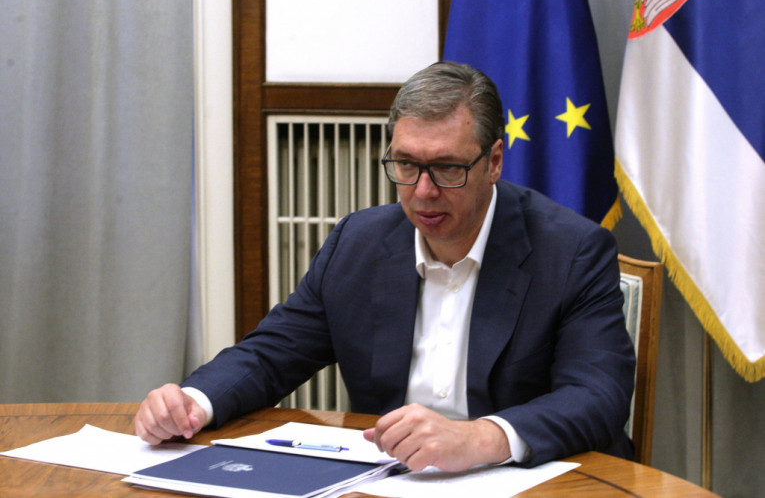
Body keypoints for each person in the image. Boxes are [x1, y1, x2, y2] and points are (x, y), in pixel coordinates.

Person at [135, 61, 635, 471]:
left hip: (533, 482)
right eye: (406, 165)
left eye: (447, 168)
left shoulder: (571, 251)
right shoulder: (359, 243)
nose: (423, 191)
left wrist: (480, 438)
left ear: (495, 161)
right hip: (393, 481)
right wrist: (193, 402)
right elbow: (271, 355)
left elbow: (597, 396)